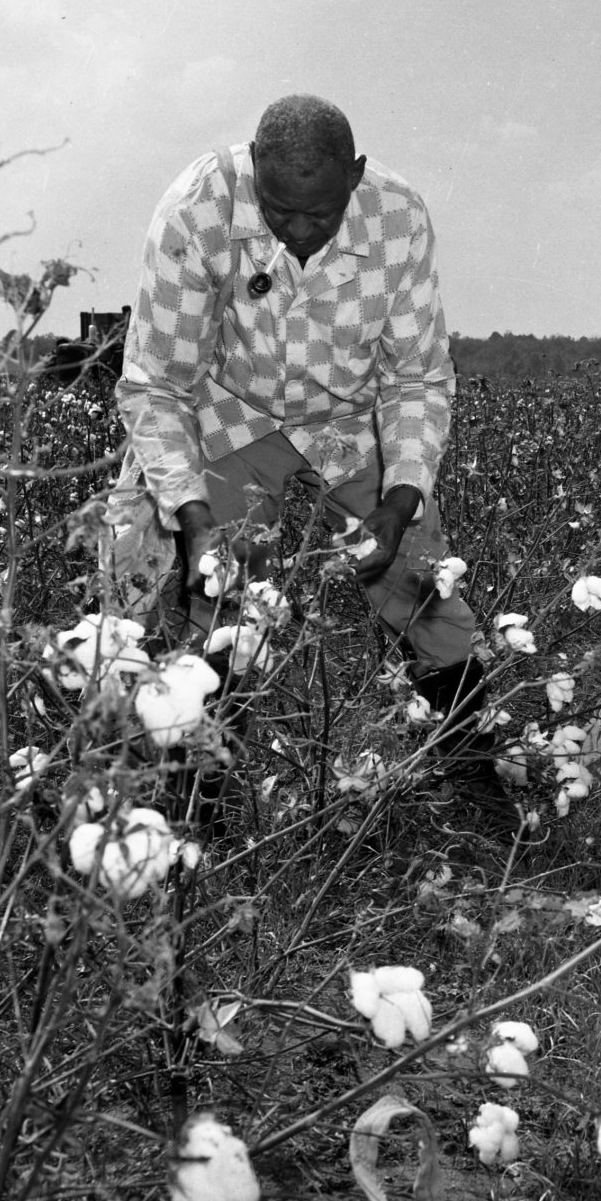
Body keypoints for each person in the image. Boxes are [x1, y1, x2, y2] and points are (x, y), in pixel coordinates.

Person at [104, 94, 488, 819]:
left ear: (357, 174)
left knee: (421, 582)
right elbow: (157, 385)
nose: (304, 232)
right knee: (187, 591)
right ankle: (190, 804)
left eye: (323, 212)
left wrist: (400, 504)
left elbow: (416, 377)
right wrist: (190, 519)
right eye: (282, 213)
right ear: (252, 175)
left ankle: (473, 779)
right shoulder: (196, 211)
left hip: (345, 418)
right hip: (226, 411)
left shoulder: (399, 218)